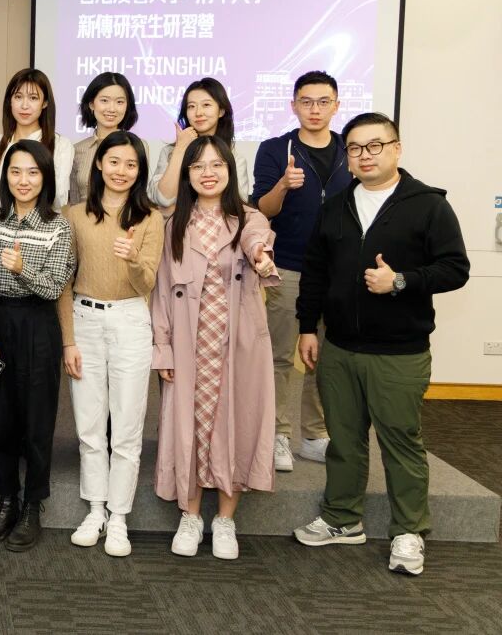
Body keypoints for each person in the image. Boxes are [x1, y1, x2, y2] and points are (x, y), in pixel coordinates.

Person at [293, 113, 469, 577]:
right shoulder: (336, 206)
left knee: (400, 442)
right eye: (354, 148)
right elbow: (315, 271)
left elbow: (455, 268)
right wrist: (307, 327)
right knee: (344, 441)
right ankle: (341, 518)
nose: (364, 155)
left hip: (399, 351)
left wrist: (402, 281)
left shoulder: (428, 205)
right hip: (339, 347)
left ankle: (409, 531)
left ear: (396, 148)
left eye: (375, 145)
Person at [151, 136, 278, 561]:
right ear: (187, 174)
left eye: (217, 164)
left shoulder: (248, 218)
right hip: (189, 345)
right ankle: (190, 516)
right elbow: (161, 292)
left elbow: (257, 240)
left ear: (230, 170)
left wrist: (261, 255)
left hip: (237, 344)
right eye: (198, 166)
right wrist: (163, 347)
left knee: (236, 423)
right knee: (188, 425)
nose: (208, 173)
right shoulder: (173, 225)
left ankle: (225, 519)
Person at [59, 131, 164, 557]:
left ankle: (119, 517)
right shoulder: (74, 215)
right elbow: (64, 283)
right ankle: (95, 510)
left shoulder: (150, 218)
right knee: (88, 425)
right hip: (84, 320)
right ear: (99, 163)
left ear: (140, 171)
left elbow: (147, 283)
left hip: (130, 321)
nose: (122, 171)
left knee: (126, 426)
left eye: (131, 165)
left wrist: (133, 259)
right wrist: (68, 341)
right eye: (114, 161)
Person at [0, 140, 73, 551]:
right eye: (15, 171)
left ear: (45, 177)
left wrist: (23, 269)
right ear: (5, 176)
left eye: (32, 172)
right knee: (1, 419)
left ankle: (33, 505)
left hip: (39, 325)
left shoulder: (58, 226)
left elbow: (53, 287)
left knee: (37, 420)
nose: (23, 180)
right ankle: (7, 500)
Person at [251, 71, 350, 471]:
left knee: (325, 357)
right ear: (293, 105)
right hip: (289, 266)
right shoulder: (276, 149)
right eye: (306, 101)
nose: (314, 109)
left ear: (336, 105)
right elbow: (262, 209)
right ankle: (277, 433)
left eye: (323, 101)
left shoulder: (350, 149)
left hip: (338, 271)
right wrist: (282, 185)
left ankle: (314, 435)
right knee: (279, 356)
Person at [0, 68, 75, 214]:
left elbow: (59, 198)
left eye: (33, 98)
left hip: (40, 226)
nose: (24, 105)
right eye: (18, 97)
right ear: (10, 101)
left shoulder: (61, 145)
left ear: (45, 103)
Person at [148, 78, 250, 208]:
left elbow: (238, 205)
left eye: (206, 105)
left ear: (221, 111)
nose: (198, 113)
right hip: (175, 220)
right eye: (191, 106)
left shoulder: (235, 158)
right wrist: (180, 149)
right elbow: (163, 199)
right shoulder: (170, 152)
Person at [68, 72, 141, 206]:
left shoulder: (138, 146)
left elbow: (139, 195)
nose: (111, 109)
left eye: (119, 102)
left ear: (127, 106)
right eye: (104, 100)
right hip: (83, 218)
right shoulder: (77, 150)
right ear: (91, 104)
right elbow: (74, 202)